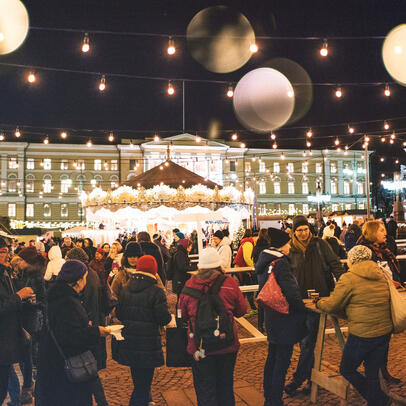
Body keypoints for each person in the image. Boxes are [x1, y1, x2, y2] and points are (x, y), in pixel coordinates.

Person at [316, 245, 395, 406]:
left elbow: (333, 305)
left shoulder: (349, 278)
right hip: (384, 331)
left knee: (347, 368)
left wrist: (319, 303)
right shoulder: (381, 273)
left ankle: (379, 399)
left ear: (351, 260)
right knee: (372, 371)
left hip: (363, 333)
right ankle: (377, 401)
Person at [36, 259, 110, 405]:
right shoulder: (68, 303)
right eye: (85, 277)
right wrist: (96, 331)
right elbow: (71, 337)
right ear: (78, 280)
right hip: (65, 371)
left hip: (52, 364)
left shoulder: (57, 296)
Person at [179, 247, 247, 406]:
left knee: (204, 387)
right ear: (218, 265)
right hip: (227, 345)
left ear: (199, 266)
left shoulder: (189, 285)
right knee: (225, 385)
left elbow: (182, 316)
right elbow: (241, 310)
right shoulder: (229, 283)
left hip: (199, 348)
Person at [285, 215, 343, 396]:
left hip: (319, 301)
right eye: (299, 230)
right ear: (293, 232)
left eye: (305, 229)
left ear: (310, 229)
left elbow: (335, 264)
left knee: (308, 341)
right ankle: (310, 379)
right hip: (297, 302)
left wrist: (344, 284)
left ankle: (298, 378)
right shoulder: (290, 249)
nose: (303, 233)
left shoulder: (319, 245)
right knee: (304, 343)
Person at [256, 228, 307, 406]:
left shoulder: (264, 261)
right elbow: (291, 293)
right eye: (288, 243)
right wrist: (303, 309)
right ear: (282, 245)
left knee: (272, 358)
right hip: (284, 318)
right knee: (282, 361)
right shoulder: (281, 263)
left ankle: (269, 397)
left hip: (271, 316)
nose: (290, 245)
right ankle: (275, 400)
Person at [113, 255, 171, 406]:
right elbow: (163, 318)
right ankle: (139, 402)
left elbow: (119, 314)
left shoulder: (126, 289)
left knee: (138, 377)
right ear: (153, 271)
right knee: (144, 381)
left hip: (130, 341)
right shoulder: (156, 291)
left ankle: (146, 400)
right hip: (148, 342)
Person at [356, 220, 403, 383]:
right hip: (373, 301)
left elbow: (391, 270)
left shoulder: (385, 250)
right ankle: (373, 375)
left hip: (388, 297)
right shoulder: (364, 252)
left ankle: (383, 370)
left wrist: (394, 282)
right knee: (374, 340)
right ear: (372, 233)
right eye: (381, 230)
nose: (385, 233)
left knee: (385, 339)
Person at [0, 238, 34, 404]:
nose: (8, 255)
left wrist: (25, 300)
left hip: (7, 339)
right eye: (3, 251)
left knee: (4, 380)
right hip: (3, 339)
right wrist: (19, 296)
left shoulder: (5, 273)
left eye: (7, 251)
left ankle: (16, 399)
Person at [252, 228, 272, 333]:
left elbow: (255, 264)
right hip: (269, 277)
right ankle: (269, 325)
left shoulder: (256, 248)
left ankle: (260, 325)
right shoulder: (270, 249)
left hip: (261, 277)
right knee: (271, 302)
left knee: (261, 302)